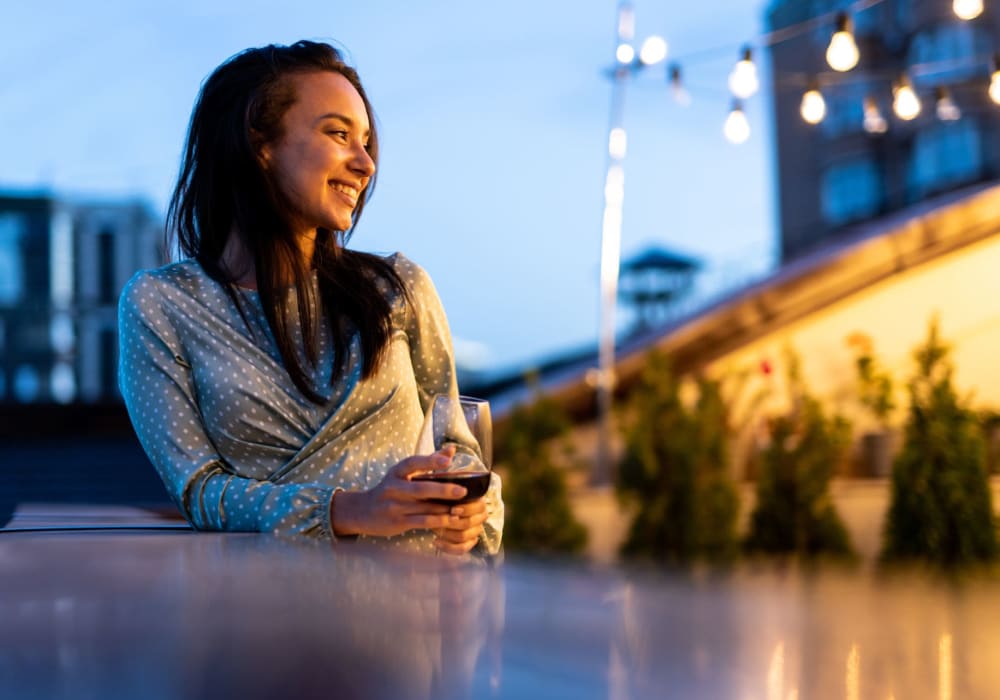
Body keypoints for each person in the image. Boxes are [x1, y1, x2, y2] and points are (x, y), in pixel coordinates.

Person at [118, 40, 502, 556]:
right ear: (259, 141)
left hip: (414, 608)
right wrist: (349, 509)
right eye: (339, 134)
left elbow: (461, 454)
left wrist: (468, 517)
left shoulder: (399, 288)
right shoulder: (162, 305)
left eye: (366, 142)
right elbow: (198, 491)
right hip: (267, 614)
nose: (366, 164)